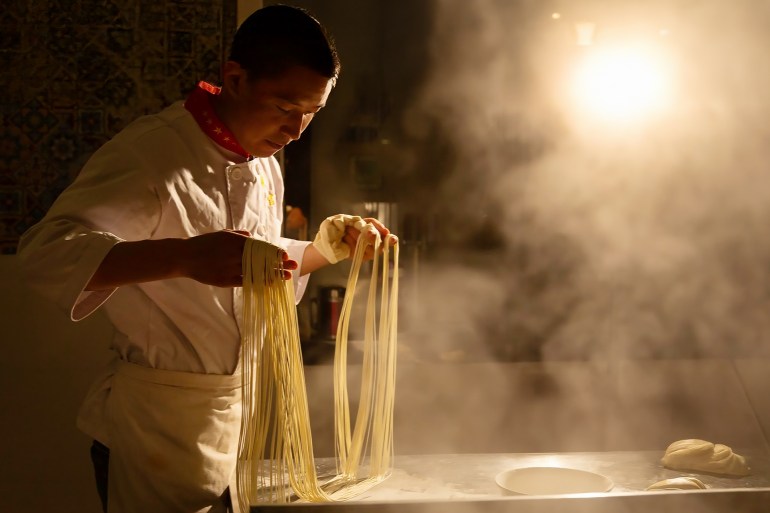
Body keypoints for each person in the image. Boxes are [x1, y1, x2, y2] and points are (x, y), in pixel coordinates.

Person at [17, 5, 391, 513]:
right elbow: (44, 254)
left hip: (235, 420)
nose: (297, 129)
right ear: (234, 78)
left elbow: (253, 267)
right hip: (157, 425)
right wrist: (185, 258)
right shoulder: (153, 154)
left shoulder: (263, 164)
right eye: (285, 106)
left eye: (312, 112)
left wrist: (323, 252)